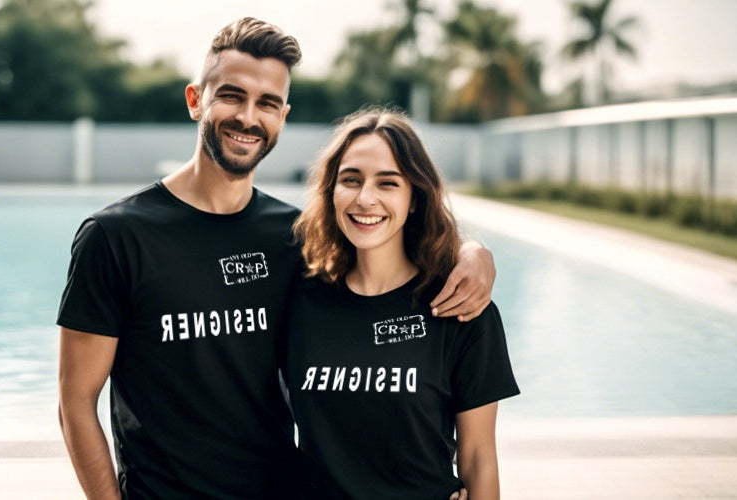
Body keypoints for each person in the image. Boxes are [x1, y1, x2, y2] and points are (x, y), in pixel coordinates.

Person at [57, 18, 496, 499]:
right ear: (195, 100)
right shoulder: (116, 237)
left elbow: (386, 234)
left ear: (281, 117)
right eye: (231, 95)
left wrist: (472, 252)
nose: (249, 116)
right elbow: (76, 402)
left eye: (267, 103)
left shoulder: (295, 237)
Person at [287, 108, 520, 499]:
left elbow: (478, 457)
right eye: (351, 180)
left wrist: (474, 250)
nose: (365, 198)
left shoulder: (461, 308)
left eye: (388, 183)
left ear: (414, 199)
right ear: (331, 191)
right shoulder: (297, 297)